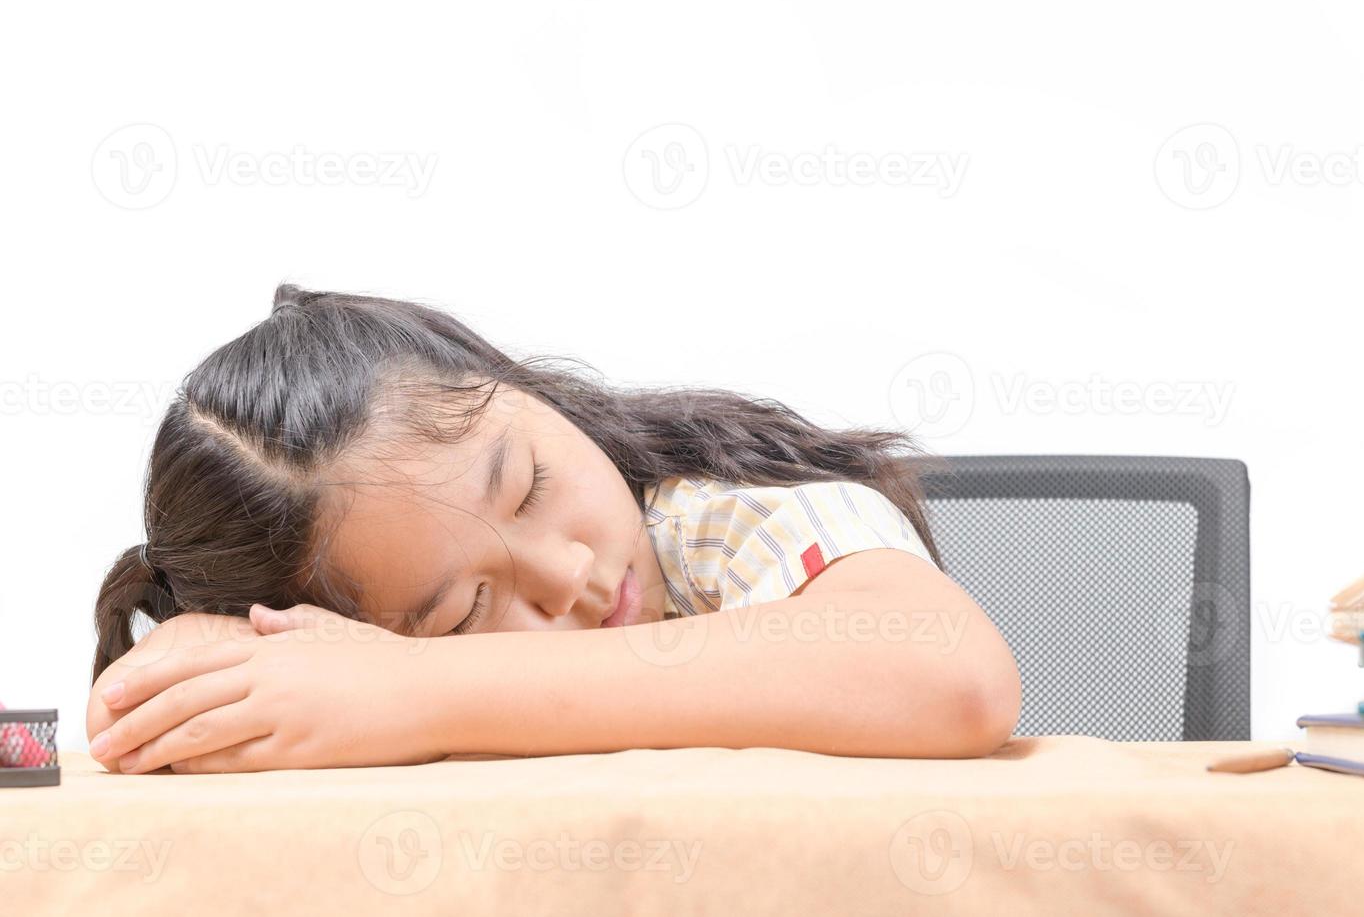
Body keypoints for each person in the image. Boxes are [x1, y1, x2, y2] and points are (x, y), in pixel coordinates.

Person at [86, 284, 1020, 773]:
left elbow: (950, 673)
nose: (568, 571)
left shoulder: (719, 516)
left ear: (525, 388)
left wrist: (421, 683)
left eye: (530, 483)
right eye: (464, 611)